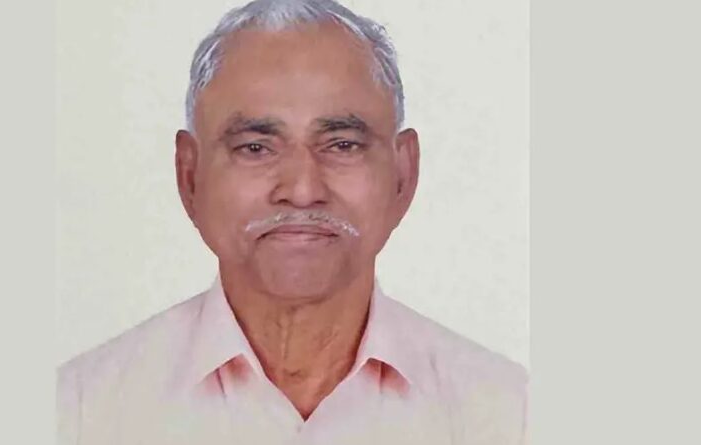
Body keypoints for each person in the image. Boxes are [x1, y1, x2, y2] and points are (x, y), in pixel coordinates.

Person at [57, 0, 528, 444]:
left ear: (404, 173)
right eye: (255, 148)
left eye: (342, 145)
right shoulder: (78, 413)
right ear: (190, 176)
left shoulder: (512, 416)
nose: (302, 190)